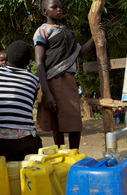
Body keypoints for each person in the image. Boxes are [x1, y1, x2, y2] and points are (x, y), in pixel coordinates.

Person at [33, 0, 102, 149]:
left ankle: (74, 155)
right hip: (50, 81)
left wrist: (94, 37)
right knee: (56, 123)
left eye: (60, 7)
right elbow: (39, 62)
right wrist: (46, 91)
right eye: (54, 7)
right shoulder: (42, 31)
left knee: (74, 121)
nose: (59, 10)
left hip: (68, 80)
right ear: (45, 11)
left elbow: (79, 52)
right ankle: (61, 154)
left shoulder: (68, 32)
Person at [0, 40, 42, 161]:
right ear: (27, 62)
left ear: (7, 58)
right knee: (37, 144)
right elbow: (29, 101)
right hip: (24, 141)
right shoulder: (33, 79)